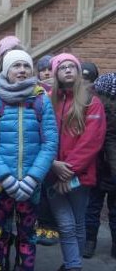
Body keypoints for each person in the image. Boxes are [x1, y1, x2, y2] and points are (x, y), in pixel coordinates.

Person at [0, 49, 58, 271]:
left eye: (26, 66)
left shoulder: (41, 99)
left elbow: (50, 142)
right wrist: (6, 177)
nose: (22, 70)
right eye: (16, 66)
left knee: (28, 235)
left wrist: (32, 178)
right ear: (6, 70)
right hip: (2, 182)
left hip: (31, 183)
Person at [48, 53, 106, 271]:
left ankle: (72, 264)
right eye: (63, 67)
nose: (68, 70)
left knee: (78, 222)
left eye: (72, 66)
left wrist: (69, 170)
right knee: (65, 223)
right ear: (56, 73)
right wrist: (54, 164)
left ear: (79, 72)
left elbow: (92, 141)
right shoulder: (48, 99)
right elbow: (43, 134)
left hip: (79, 175)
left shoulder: (92, 101)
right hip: (52, 172)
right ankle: (73, 264)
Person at [83, 72, 116, 259]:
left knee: (92, 207)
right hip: (106, 168)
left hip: (96, 166)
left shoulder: (93, 103)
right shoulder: (99, 105)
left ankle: (89, 244)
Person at [33, 54, 60, 247]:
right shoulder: (34, 89)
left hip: (54, 145)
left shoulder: (60, 90)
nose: (47, 72)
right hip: (35, 145)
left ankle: (51, 225)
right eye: (43, 69)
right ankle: (39, 223)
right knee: (39, 189)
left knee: (51, 189)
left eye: (50, 69)